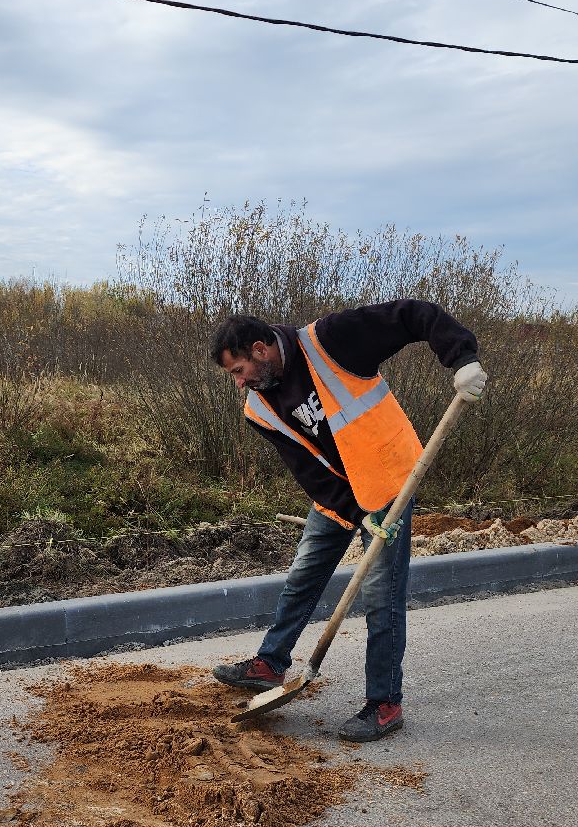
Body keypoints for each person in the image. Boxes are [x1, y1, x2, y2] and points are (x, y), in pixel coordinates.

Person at [209, 300, 488, 741]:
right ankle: (270, 664)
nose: (240, 382)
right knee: (304, 575)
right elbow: (308, 469)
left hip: (389, 478)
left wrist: (462, 358)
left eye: (239, 370)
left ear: (261, 349)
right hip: (339, 495)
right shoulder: (258, 408)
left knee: (381, 594)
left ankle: (385, 703)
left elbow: (414, 316)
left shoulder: (330, 341)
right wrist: (356, 512)